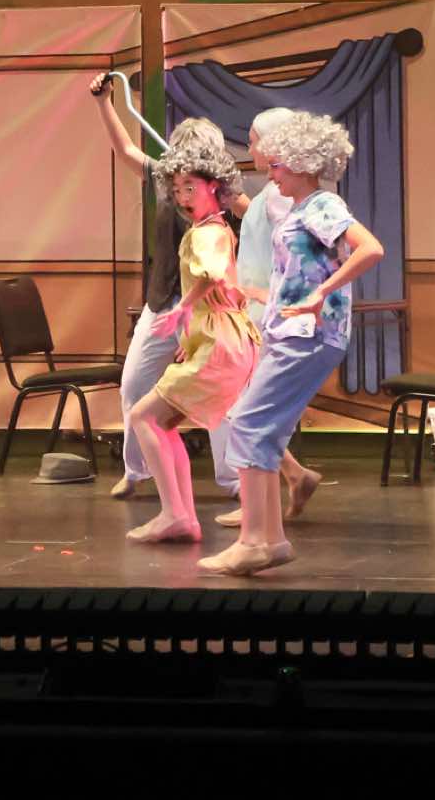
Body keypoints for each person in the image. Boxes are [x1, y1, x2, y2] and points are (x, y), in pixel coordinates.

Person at [202, 112, 385, 576]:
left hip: (310, 335)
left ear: (303, 164)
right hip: (293, 331)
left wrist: (320, 294)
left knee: (248, 422)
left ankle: (256, 541)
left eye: (278, 165)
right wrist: (264, 294)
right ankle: (267, 540)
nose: (271, 173)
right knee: (256, 429)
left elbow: (370, 249)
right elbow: (297, 272)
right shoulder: (301, 210)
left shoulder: (322, 205)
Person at [89, 76, 240, 499]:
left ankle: (233, 478)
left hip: (207, 310)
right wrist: (104, 103)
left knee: (220, 395)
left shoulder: (224, 197)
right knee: (135, 384)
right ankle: (136, 470)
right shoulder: (164, 179)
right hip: (162, 303)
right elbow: (126, 151)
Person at [125, 143, 260, 544]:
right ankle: (180, 515)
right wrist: (193, 335)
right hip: (221, 341)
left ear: (213, 186)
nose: (183, 197)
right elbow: (225, 290)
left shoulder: (207, 234)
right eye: (177, 189)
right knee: (162, 423)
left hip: (222, 345)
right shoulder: (217, 228)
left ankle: (175, 514)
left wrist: (182, 309)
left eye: (191, 188)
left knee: (144, 417)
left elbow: (212, 275)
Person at [213, 107, 322, 530]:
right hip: (258, 311)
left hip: (264, 314)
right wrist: (232, 200)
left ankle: (262, 502)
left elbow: (289, 243)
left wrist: (266, 293)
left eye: (255, 141)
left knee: (245, 409)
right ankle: (293, 476)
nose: (251, 148)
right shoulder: (271, 194)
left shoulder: (282, 196)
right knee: (245, 408)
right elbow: (258, 217)